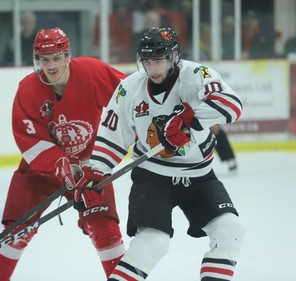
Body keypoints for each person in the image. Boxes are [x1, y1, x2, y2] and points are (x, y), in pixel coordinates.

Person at [74, 27, 246, 281]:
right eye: (147, 61)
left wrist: (191, 117)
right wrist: (95, 173)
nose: (152, 69)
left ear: (174, 56)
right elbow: (112, 135)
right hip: (152, 177)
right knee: (153, 243)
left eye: (159, 60)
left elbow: (232, 105)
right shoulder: (129, 88)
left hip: (199, 176)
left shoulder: (197, 74)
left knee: (230, 230)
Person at [0, 27, 127, 281]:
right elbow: (29, 139)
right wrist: (58, 164)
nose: (50, 65)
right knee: (16, 232)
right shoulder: (28, 89)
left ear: (67, 56)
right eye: (44, 59)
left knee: (105, 229)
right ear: (37, 61)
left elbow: (131, 96)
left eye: (56, 57)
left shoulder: (92, 72)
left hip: (89, 169)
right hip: (41, 170)